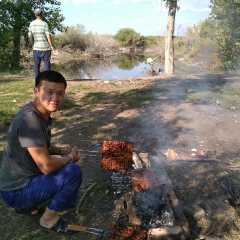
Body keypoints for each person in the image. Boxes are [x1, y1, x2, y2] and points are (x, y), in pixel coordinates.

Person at [0, 70, 82, 235]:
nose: (55, 98)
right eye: (49, 92)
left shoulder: (37, 113)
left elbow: (35, 147)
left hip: (15, 186)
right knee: (72, 172)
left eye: (60, 93)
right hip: (16, 192)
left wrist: (59, 150)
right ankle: (48, 220)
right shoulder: (30, 121)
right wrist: (69, 158)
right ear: (36, 91)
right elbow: (46, 167)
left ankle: (29, 206)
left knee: (64, 169)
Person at [28, 8, 54, 76]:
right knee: (47, 64)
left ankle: (38, 80)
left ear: (35, 14)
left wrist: (32, 45)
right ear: (42, 14)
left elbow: (30, 35)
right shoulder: (44, 24)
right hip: (46, 48)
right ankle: (47, 79)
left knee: (36, 64)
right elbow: (48, 36)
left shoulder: (31, 24)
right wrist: (51, 46)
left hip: (36, 48)